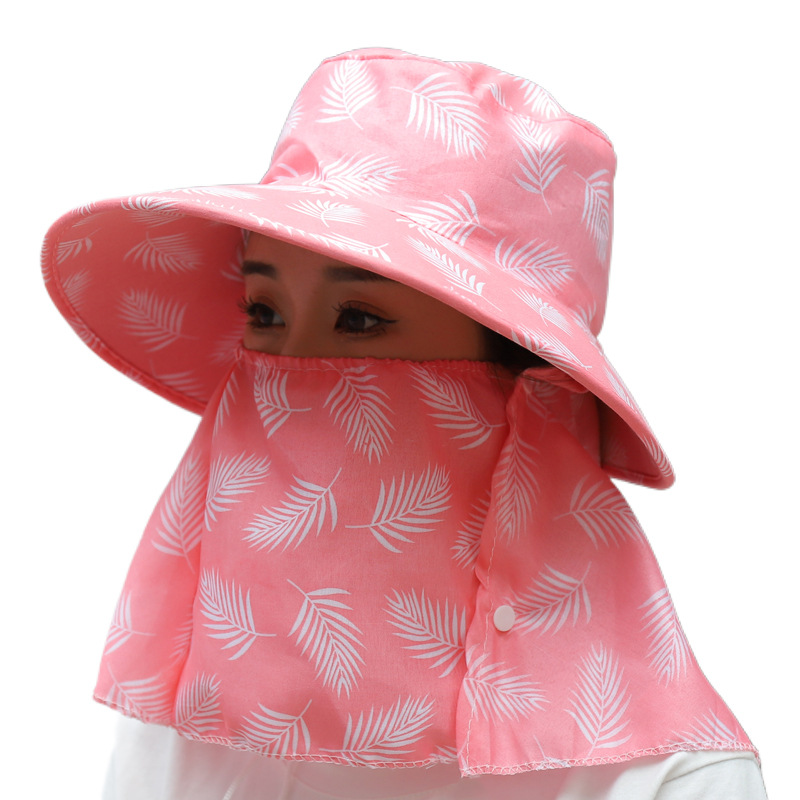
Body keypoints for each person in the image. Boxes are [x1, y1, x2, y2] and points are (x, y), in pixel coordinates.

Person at [41, 48, 767, 798]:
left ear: (520, 377)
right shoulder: (190, 724)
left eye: (359, 319)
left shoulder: (664, 781)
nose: (285, 376)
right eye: (264, 313)